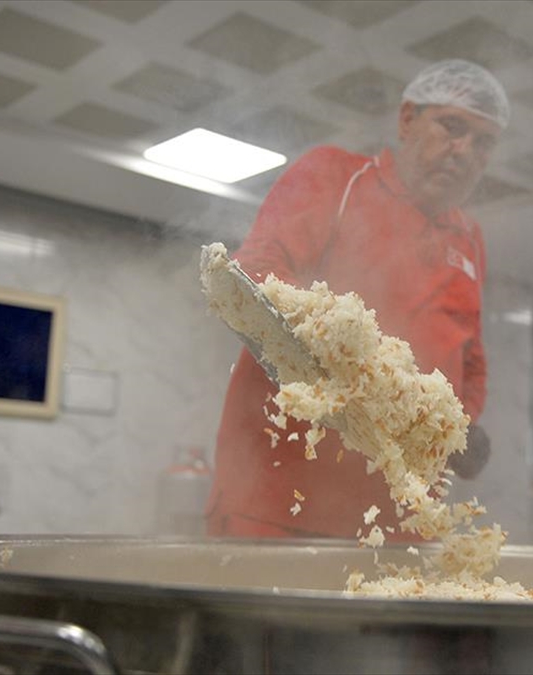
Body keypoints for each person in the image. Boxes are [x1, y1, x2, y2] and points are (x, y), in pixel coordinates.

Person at [205, 59, 508, 539]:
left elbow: (470, 358)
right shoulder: (335, 177)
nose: (464, 151)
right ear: (407, 119)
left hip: (401, 522)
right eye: (452, 127)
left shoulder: (470, 240)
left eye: (483, 142)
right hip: (280, 500)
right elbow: (258, 272)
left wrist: (460, 425)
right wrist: (354, 369)